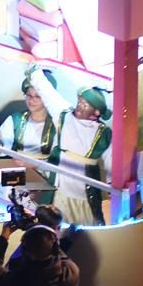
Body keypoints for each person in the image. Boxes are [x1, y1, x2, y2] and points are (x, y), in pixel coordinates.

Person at [26, 67, 112, 225]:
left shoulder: (104, 133)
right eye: (79, 102)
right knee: (54, 220)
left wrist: (112, 183)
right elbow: (48, 93)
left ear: (97, 112)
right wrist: (35, 72)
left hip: (83, 188)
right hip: (60, 183)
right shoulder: (64, 115)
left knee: (84, 225)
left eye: (85, 105)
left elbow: (111, 159)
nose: (79, 107)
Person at [0, 222, 79, 286]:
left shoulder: (17, 280)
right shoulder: (71, 273)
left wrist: (4, 236)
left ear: (24, 250)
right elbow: (59, 254)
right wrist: (68, 238)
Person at [0, 69, 58, 160]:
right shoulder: (15, 119)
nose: (31, 100)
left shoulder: (56, 126)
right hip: (15, 168)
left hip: (42, 172)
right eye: (29, 95)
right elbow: (0, 150)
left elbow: (57, 160)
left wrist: (35, 165)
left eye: (37, 96)